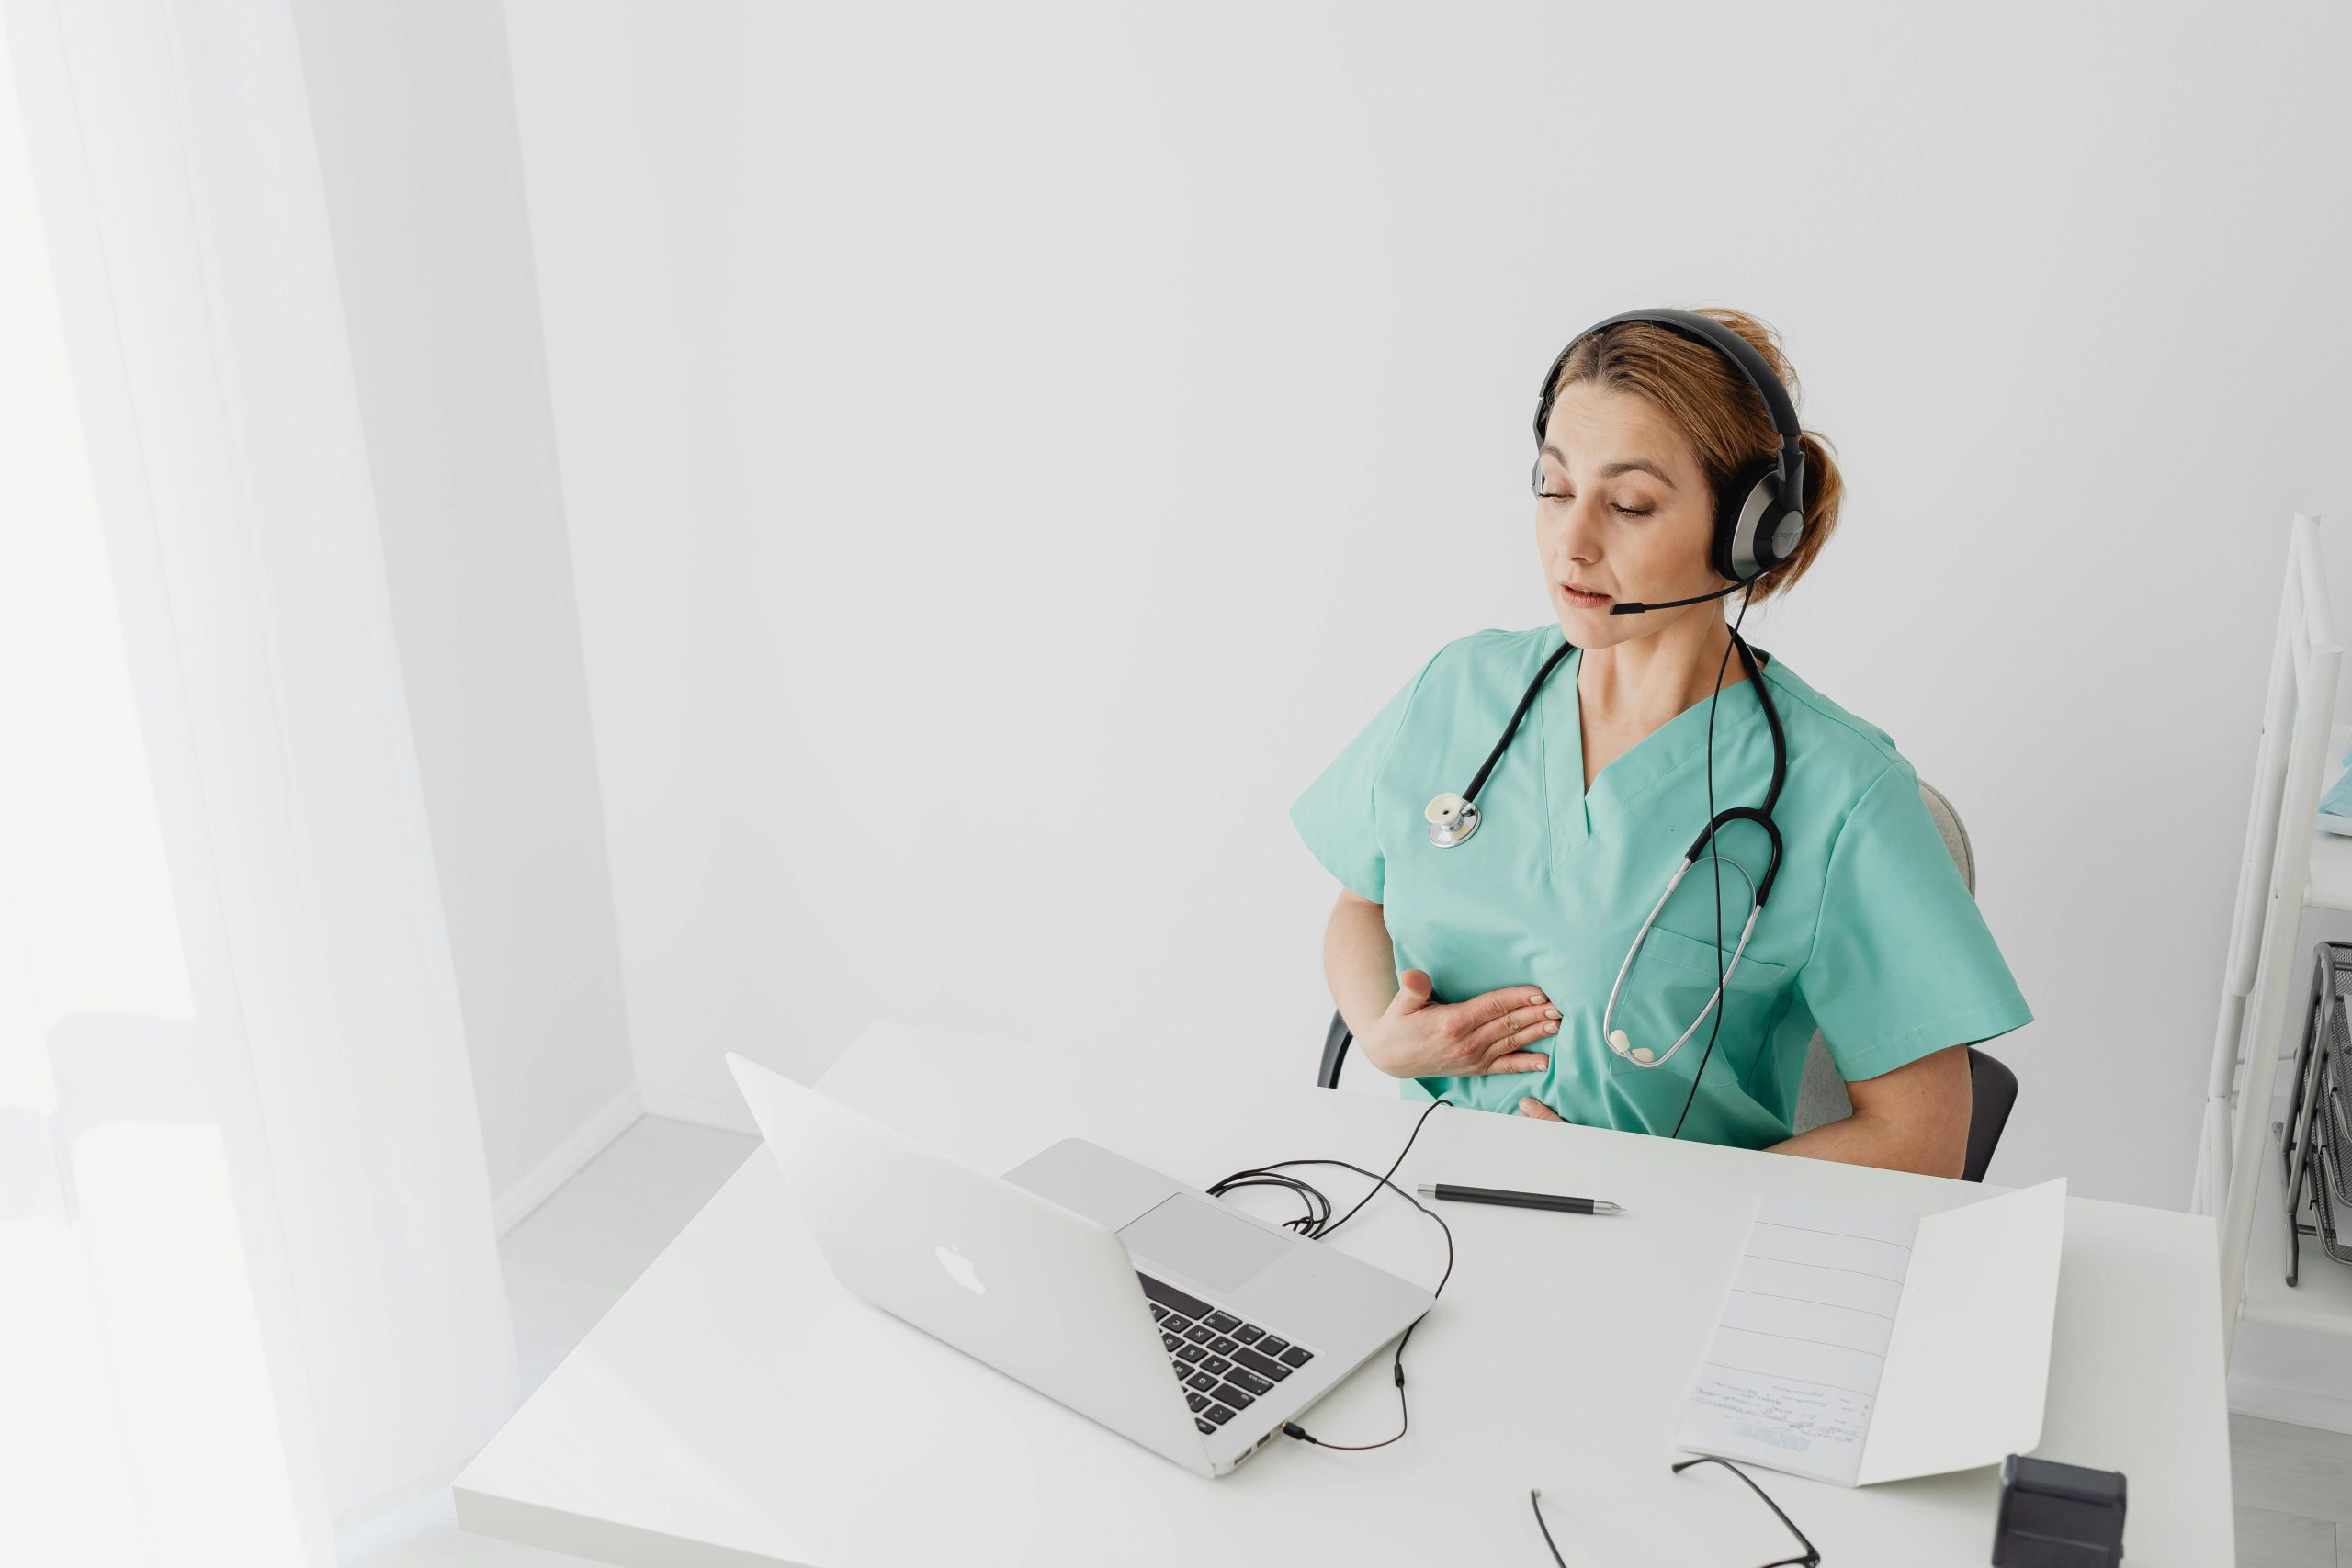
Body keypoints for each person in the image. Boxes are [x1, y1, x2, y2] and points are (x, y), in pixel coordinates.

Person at [1288, 307, 2030, 1178]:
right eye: (1554, 488)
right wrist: (1383, 1033)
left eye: (1630, 504)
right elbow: (1360, 904)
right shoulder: (1456, 690)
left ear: (1749, 531)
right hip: (1419, 1198)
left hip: (1661, 1251)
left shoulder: (1843, 791)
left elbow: (1922, 1141)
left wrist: (1650, 1189)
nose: (1574, 541)